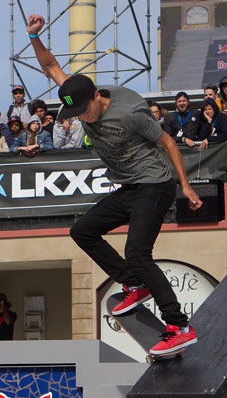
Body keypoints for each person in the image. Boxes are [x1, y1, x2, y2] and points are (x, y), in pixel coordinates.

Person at [27, 12, 202, 356]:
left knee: (137, 251)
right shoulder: (77, 95)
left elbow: (166, 142)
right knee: (83, 231)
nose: (82, 118)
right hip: (129, 189)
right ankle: (135, 283)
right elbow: (51, 67)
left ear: (97, 96)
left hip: (155, 184)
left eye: (85, 112)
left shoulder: (130, 112)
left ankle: (179, 325)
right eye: (76, 114)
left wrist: (185, 184)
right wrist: (34, 37)